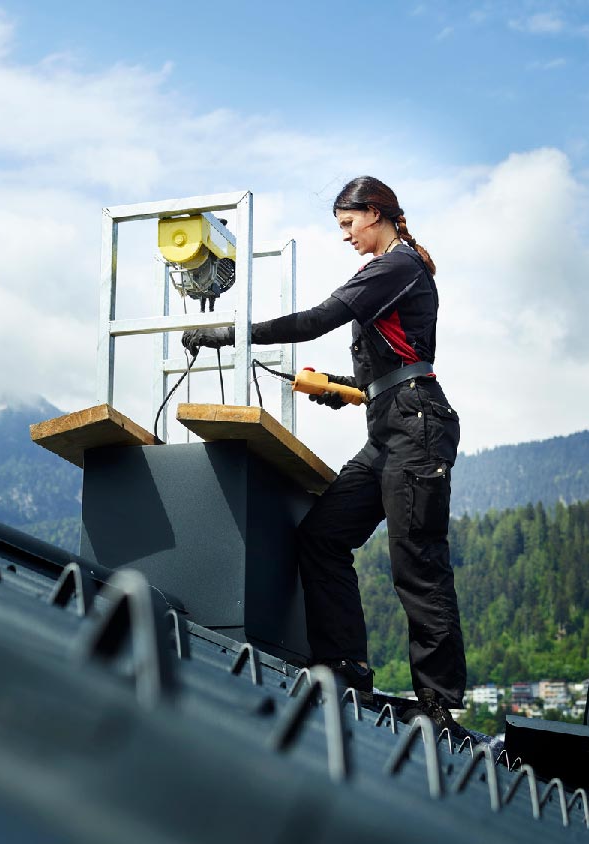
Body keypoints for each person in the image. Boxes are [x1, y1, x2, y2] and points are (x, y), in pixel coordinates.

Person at [182, 176, 469, 736]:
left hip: (417, 427)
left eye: (347, 224)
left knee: (418, 562)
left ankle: (438, 706)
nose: (345, 236)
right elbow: (388, 368)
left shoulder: (398, 264)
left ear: (376, 213)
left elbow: (317, 320)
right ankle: (346, 666)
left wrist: (228, 333)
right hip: (389, 426)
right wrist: (339, 385)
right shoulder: (387, 269)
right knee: (323, 535)